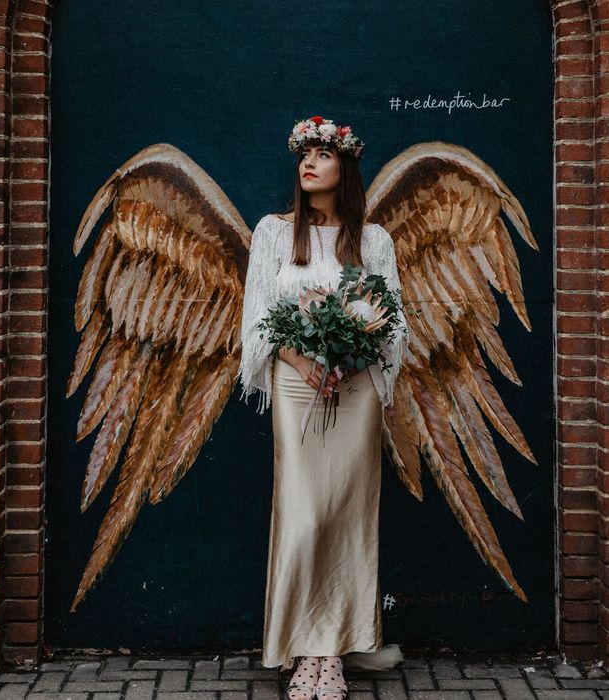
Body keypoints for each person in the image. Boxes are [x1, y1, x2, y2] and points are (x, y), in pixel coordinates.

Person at [236, 116, 409, 700]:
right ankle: (301, 644)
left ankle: (329, 655)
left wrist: (353, 357)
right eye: (304, 153)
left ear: (346, 166)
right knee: (305, 515)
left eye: (322, 153)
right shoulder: (273, 234)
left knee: (347, 516)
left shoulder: (375, 240)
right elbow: (258, 317)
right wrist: (304, 359)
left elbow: (393, 320)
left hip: (354, 393)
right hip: (294, 385)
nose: (308, 162)